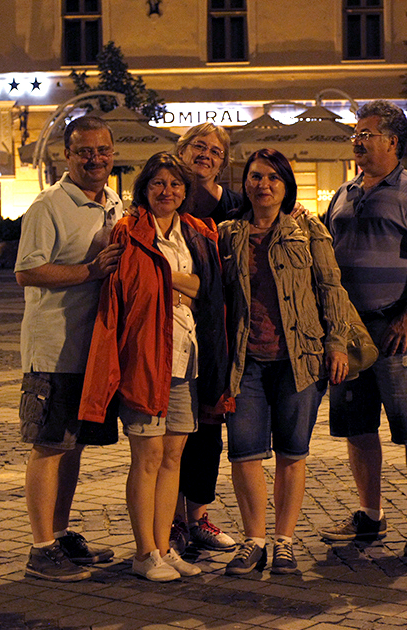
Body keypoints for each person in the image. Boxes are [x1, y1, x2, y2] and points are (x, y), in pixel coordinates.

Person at [79, 152, 227, 582]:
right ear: (144, 188)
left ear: (186, 190)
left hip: (186, 358)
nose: (167, 191)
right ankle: (144, 553)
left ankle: (164, 547)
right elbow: (124, 294)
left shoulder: (197, 232)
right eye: (158, 183)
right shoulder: (128, 233)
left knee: (172, 456)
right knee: (147, 457)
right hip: (145, 358)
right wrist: (179, 287)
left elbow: (209, 288)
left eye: (176, 184)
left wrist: (172, 282)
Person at [321, 100, 407, 557]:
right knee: (357, 426)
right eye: (355, 134)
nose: (357, 141)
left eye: (367, 134)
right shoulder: (344, 192)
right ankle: (370, 515)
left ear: (393, 141)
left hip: (397, 327)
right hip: (348, 332)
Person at [219, 148, 350, 576]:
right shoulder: (227, 234)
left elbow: (331, 287)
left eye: (273, 177)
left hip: (301, 358)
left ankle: (285, 541)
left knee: (292, 453)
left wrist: (337, 343)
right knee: (244, 453)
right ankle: (254, 540)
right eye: (256, 176)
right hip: (245, 362)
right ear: (245, 183)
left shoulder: (308, 229)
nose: (264, 185)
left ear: (286, 185)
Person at [14, 115, 125, 582]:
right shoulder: (49, 205)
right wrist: (89, 271)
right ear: (68, 155)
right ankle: (41, 549)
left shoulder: (115, 202)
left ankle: (59, 536)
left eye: (103, 150)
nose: (95, 159)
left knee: (72, 447)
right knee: (49, 446)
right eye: (85, 151)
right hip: (54, 349)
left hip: (92, 351)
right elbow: (27, 271)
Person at [167, 123, 244, 555]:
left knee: (209, 430)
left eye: (215, 151)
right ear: (182, 150)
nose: (206, 155)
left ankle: (197, 517)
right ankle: (172, 519)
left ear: (223, 162)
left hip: (218, 332)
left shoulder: (233, 205)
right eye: (198, 146)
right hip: (171, 331)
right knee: (172, 430)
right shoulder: (168, 196)